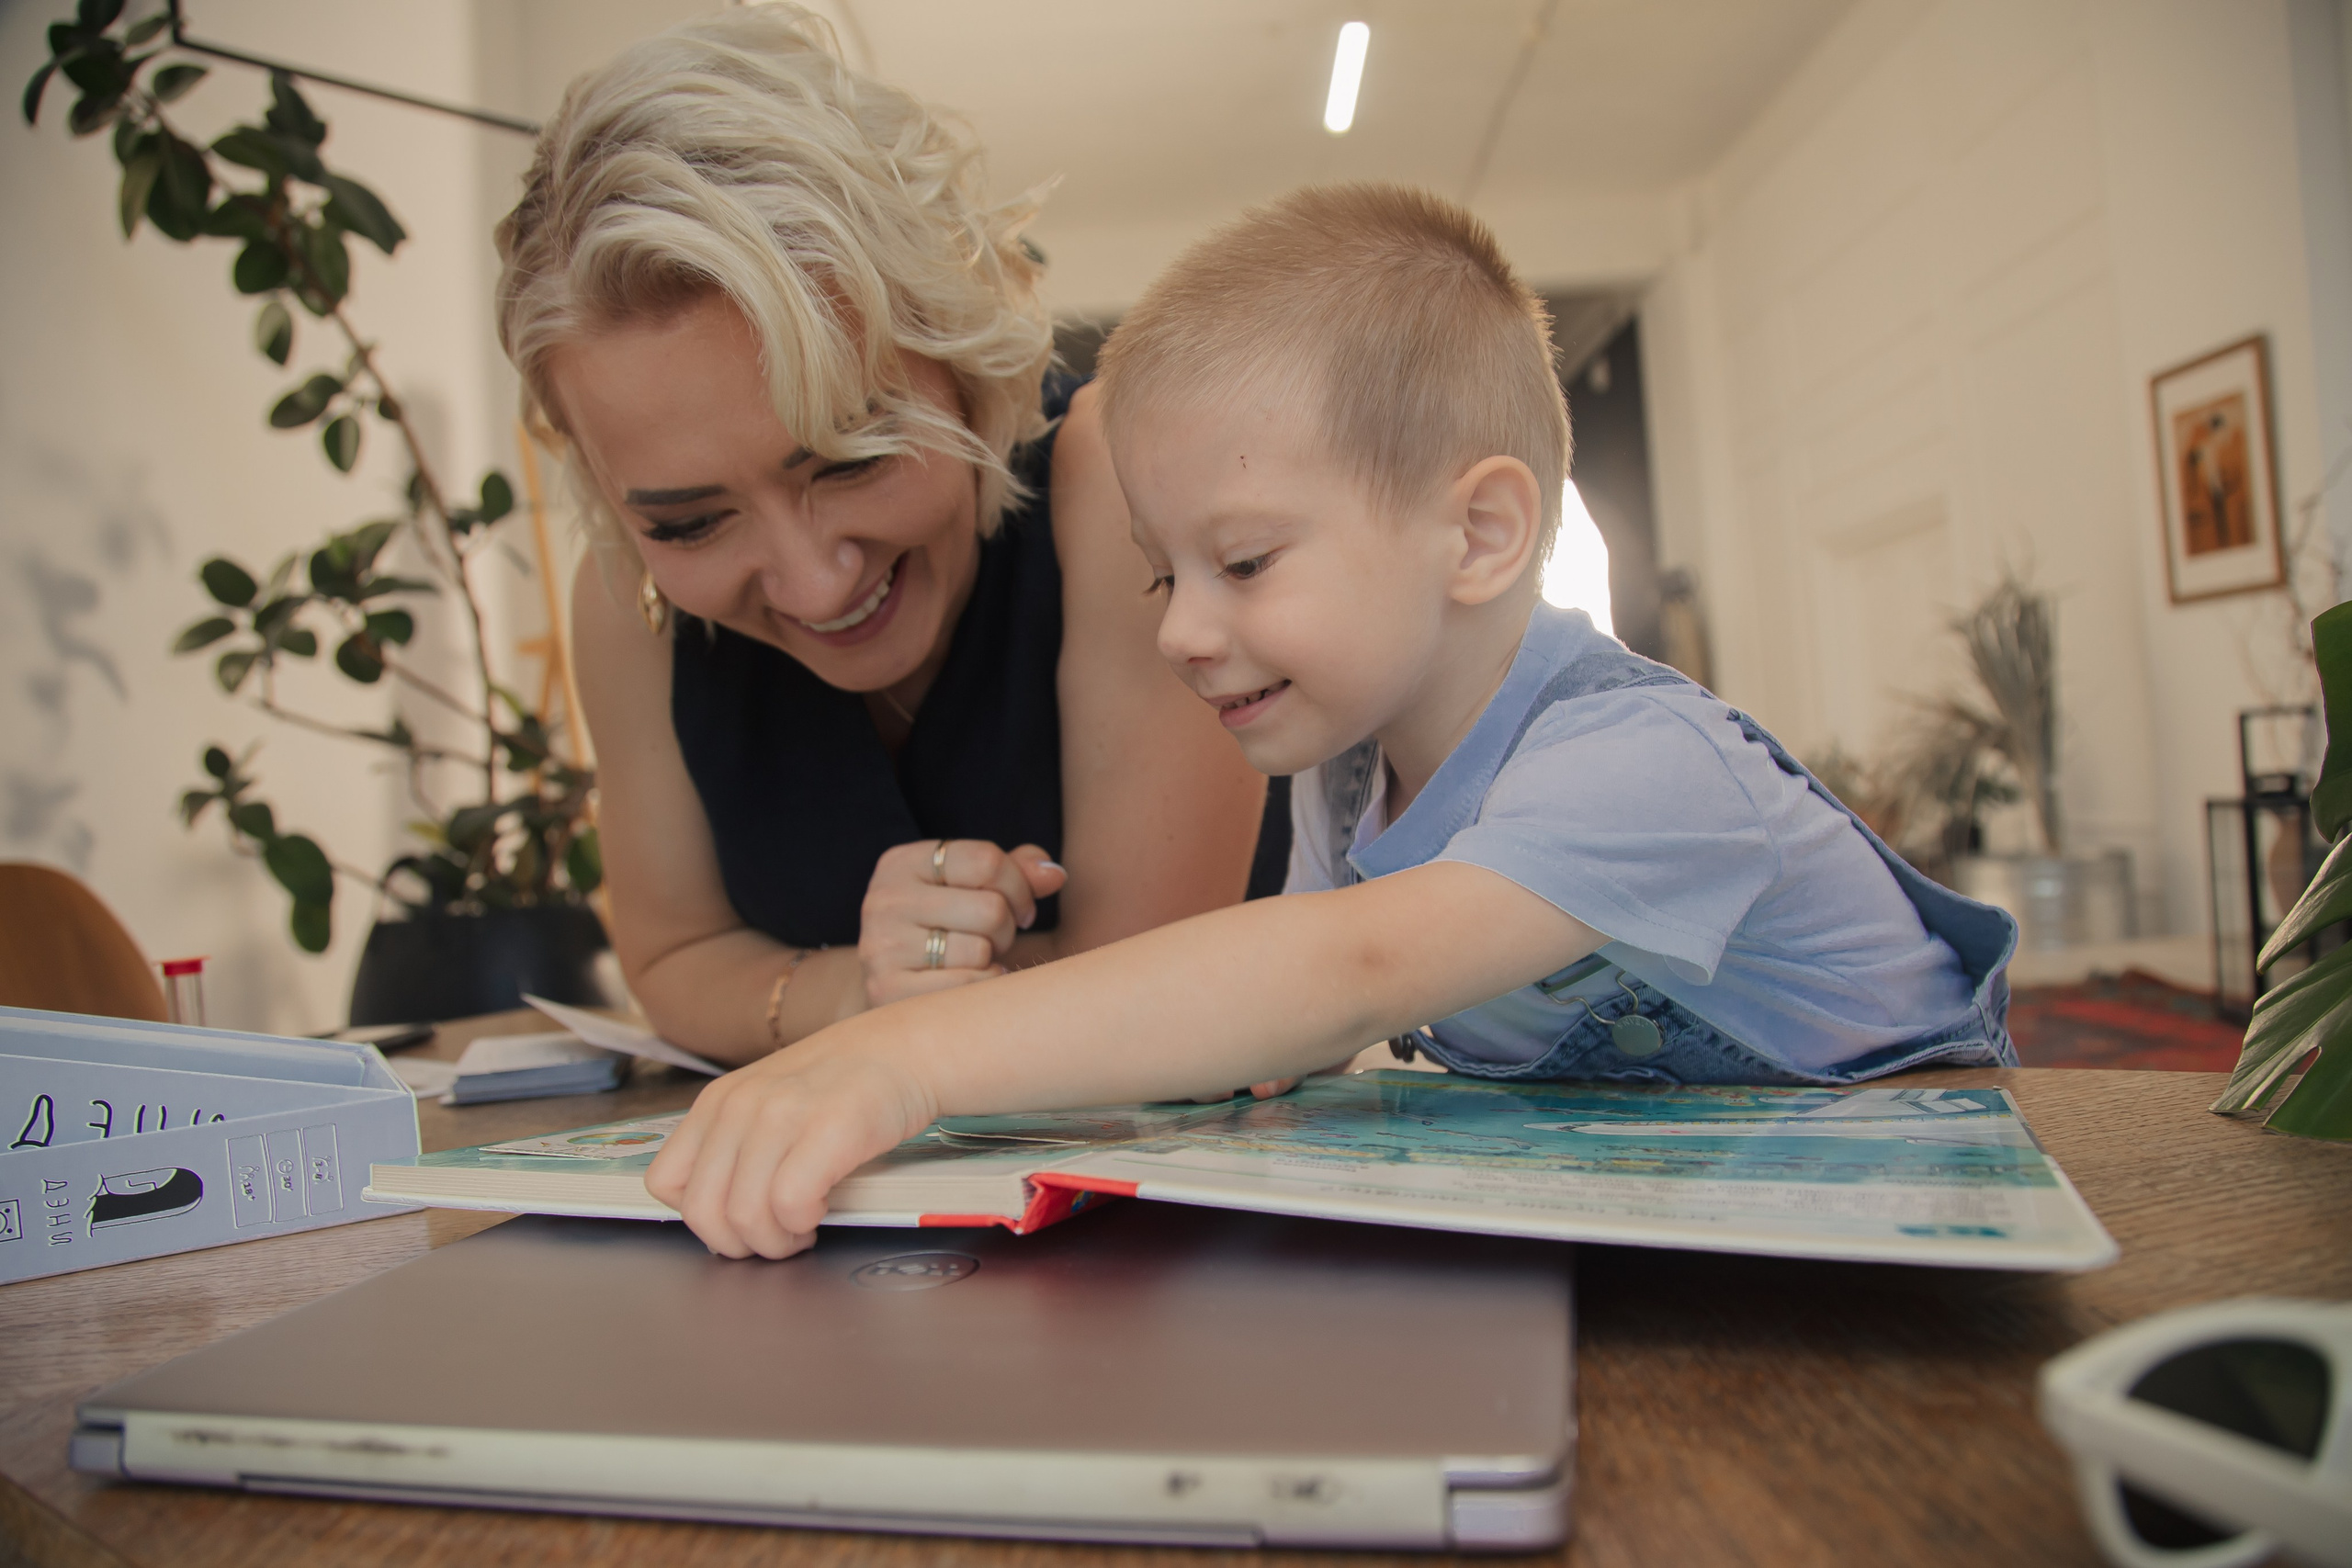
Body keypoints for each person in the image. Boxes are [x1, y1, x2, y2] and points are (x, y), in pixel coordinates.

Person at [644, 183, 2021, 1259]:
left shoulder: (1646, 766)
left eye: (1243, 564)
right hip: (1688, 1209)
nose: (1180, 628)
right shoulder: (1347, 773)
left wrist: (899, 1057)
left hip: (1919, 1202)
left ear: (1479, 533)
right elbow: (1275, 1027)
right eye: (1160, 572)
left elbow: (1342, 968)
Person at [494, 7, 1273, 1064]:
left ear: (956, 356)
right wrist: (863, 995)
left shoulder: (1125, 484)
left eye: (852, 456)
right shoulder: (629, 595)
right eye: (689, 520)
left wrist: (873, 1003)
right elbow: (674, 962)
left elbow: (1147, 989)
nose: (815, 588)